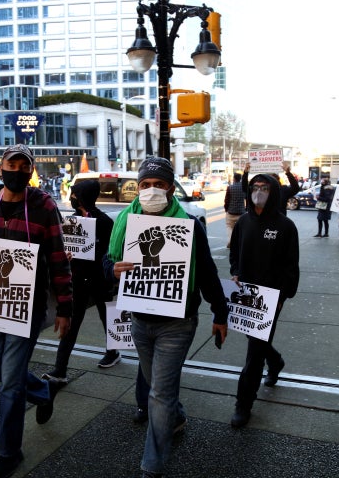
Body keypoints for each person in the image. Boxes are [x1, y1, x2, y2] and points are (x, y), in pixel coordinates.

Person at [103, 157, 229, 478]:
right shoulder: (124, 224)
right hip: (140, 321)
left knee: (158, 393)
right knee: (159, 387)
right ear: (138, 188)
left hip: (178, 322)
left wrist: (219, 311)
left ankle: (152, 466)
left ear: (171, 188)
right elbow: (106, 263)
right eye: (145, 185)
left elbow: (208, 274)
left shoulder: (190, 226)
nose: (152, 191)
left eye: (159, 185)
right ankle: (177, 416)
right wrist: (110, 270)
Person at [0, 144, 73, 478]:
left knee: (9, 384)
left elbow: (57, 257)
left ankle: (9, 452)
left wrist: (64, 307)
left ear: (31, 171)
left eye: (26, 166)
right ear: (0, 167)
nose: (19, 170)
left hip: (28, 306)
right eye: (13, 163)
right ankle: (42, 390)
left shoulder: (43, 205)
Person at [229, 173, 299, 428]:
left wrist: (282, 296)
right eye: (255, 187)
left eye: (264, 188)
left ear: (274, 192)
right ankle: (276, 361)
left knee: (254, 352)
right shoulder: (243, 222)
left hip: (271, 297)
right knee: (256, 341)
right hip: (246, 295)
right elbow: (234, 252)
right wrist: (235, 271)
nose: (259, 192)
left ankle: (243, 403)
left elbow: (291, 266)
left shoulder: (285, 226)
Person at [42, 178, 117, 383]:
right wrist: (68, 255)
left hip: (100, 279)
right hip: (78, 280)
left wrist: (93, 250)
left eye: (75, 194)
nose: (72, 197)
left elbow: (112, 253)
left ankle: (113, 351)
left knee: (107, 317)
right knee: (71, 324)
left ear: (84, 196)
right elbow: (67, 247)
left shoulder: (104, 222)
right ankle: (60, 369)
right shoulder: (73, 221)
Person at [223, 172, 246, 248]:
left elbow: (227, 200)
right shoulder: (243, 187)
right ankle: (241, 242)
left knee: (229, 226)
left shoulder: (230, 187)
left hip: (231, 211)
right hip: (241, 212)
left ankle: (231, 241)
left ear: (234, 178)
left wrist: (226, 209)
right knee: (241, 228)